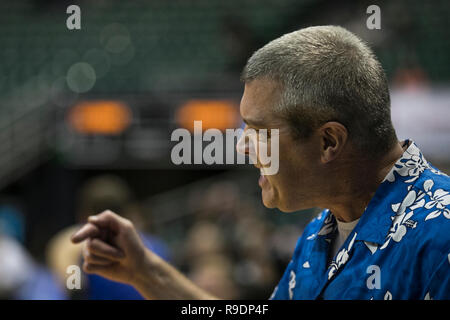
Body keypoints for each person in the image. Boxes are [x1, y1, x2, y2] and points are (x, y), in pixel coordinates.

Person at [71, 25, 450, 300]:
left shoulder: (440, 239)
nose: (243, 147)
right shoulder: (322, 231)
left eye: (257, 130)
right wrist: (145, 271)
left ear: (328, 141)